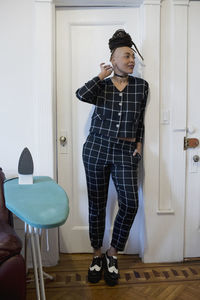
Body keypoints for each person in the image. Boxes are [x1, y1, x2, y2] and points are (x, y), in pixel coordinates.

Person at [76, 29, 149, 286]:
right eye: (126, 56)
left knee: (130, 203)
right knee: (97, 204)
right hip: (96, 149)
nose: (131, 61)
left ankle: (112, 254)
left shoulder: (141, 86)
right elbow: (80, 95)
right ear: (114, 59)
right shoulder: (101, 86)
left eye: (133, 57)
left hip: (125, 152)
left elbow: (139, 119)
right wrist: (99, 75)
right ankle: (96, 254)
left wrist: (139, 144)